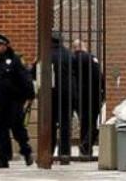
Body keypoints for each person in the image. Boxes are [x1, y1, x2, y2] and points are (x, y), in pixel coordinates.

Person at [0, 34, 34, 170]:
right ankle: (3, 158)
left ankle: (26, 150)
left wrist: (30, 95)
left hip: (13, 101)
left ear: (6, 46)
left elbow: (25, 78)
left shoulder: (14, 60)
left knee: (17, 128)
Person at [72, 40, 106, 157]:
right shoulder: (91, 58)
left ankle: (85, 151)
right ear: (83, 46)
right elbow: (98, 76)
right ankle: (86, 145)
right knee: (94, 123)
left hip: (77, 96)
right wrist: (103, 92)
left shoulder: (71, 59)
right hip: (92, 95)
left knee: (84, 122)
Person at [50, 32, 75, 162]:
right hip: (67, 94)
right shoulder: (69, 55)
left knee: (50, 124)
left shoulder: (46, 54)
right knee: (65, 124)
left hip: (50, 94)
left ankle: (48, 153)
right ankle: (64, 154)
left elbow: (35, 73)